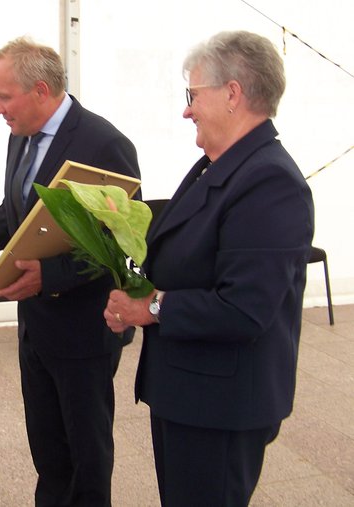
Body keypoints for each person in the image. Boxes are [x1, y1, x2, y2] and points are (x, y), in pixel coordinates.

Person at [104, 31, 315, 506]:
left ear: (233, 94)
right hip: (190, 392)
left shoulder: (269, 182)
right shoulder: (218, 165)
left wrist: (151, 308)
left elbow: (245, 309)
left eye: (193, 95)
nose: (187, 109)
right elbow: (186, 260)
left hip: (221, 405)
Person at [0, 36, 140, 506]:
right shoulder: (21, 136)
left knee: (87, 454)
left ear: (40, 90)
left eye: (3, 96)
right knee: (48, 451)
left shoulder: (104, 143)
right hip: (34, 328)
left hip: (82, 330)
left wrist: (52, 276)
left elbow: (118, 243)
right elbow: (12, 210)